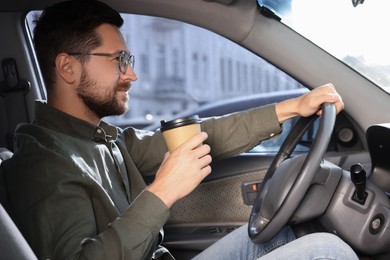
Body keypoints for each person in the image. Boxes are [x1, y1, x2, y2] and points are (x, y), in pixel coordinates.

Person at [2, 0, 358, 259]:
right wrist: (163, 192)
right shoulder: (42, 163)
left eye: (130, 60)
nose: (132, 74)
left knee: (281, 234)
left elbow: (205, 136)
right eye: (119, 60)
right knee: (325, 250)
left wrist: (292, 108)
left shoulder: (104, 139)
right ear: (67, 67)